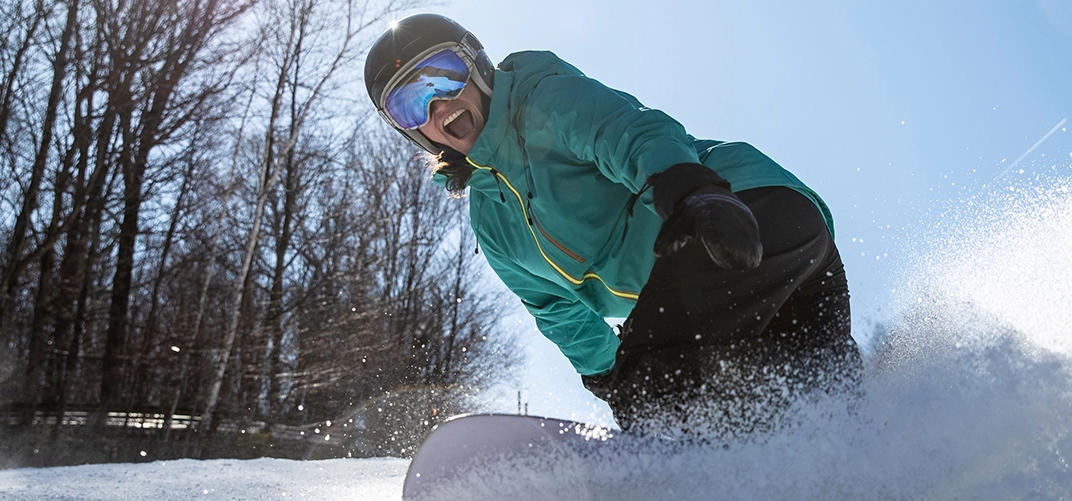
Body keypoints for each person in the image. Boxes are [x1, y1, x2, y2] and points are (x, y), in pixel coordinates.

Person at [363, 13, 859, 435]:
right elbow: (558, 312)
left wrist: (692, 191)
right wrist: (610, 381)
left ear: (478, 67)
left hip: (745, 214)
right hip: (756, 295)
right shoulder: (492, 223)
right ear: (411, 132)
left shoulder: (538, 100)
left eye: (444, 77)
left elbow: (625, 131)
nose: (437, 105)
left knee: (660, 389)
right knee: (804, 409)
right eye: (410, 105)